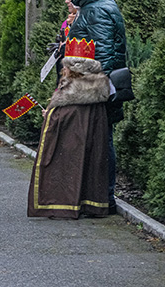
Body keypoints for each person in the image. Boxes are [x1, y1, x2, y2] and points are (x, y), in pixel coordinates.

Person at [66, 0, 127, 215]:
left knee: (100, 141)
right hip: (102, 86)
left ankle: (104, 198)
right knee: (101, 140)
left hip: (97, 88)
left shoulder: (96, 10)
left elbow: (102, 56)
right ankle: (100, 196)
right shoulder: (101, 5)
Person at [28, 37, 111, 219]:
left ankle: (64, 203)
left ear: (74, 70)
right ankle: (90, 204)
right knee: (89, 164)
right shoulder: (96, 87)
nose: (62, 69)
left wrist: (50, 115)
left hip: (73, 142)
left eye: (66, 66)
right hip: (90, 140)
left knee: (70, 165)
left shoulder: (74, 91)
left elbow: (65, 119)